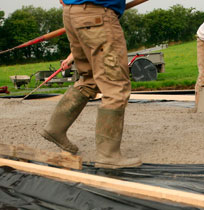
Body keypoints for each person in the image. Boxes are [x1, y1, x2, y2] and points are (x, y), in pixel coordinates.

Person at [41, 0, 142, 169]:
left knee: (89, 79)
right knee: (115, 84)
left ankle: (55, 128)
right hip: (97, 16)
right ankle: (109, 156)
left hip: (72, 14)